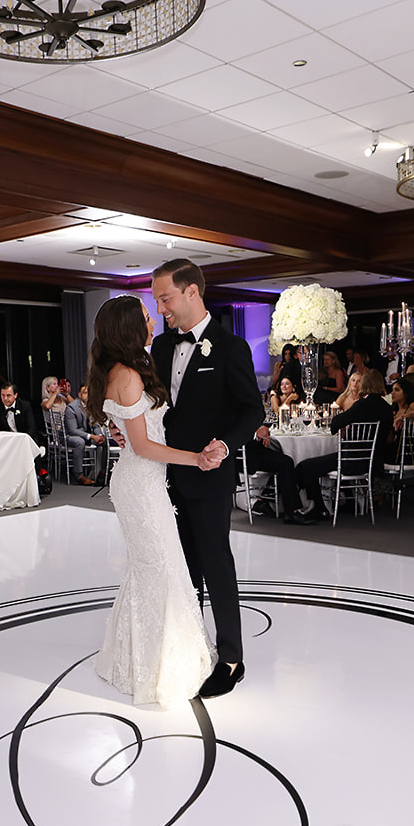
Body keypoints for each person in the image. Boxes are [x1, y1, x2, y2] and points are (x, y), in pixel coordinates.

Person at [86, 295, 221, 709]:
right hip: (141, 484)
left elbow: (131, 431)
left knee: (153, 569)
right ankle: (156, 667)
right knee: (159, 569)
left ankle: (138, 659)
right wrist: (196, 459)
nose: (153, 322)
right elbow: (143, 446)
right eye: (146, 317)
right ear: (128, 327)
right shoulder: (127, 374)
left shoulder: (124, 368)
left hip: (143, 481)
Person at [147, 260, 265, 697]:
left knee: (215, 564)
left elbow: (252, 409)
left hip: (210, 476)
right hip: (164, 475)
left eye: (165, 298)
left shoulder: (231, 347)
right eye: (157, 300)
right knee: (181, 569)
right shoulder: (161, 347)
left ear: (192, 292)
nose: (161, 309)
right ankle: (190, 650)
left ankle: (231, 659)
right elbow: (152, 404)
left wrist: (226, 444)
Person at [288, 369, 394, 525]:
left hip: (351, 460)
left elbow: (337, 422)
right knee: (313, 466)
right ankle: (337, 504)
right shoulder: (386, 408)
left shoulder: (362, 405)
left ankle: (318, 507)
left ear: (365, 384)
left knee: (305, 467)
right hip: (374, 461)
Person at [242, 423, 301, 521]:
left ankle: (262, 501)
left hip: (254, 450)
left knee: (283, 461)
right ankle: (291, 512)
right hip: (246, 456)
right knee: (286, 463)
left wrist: (263, 434)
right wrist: (256, 434)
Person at [65, 384, 106, 485]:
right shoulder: (72, 408)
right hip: (71, 436)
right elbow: (72, 430)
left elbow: (95, 425)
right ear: (79, 395)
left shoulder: (92, 406)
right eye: (85, 393)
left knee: (104, 441)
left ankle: (102, 472)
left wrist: (99, 436)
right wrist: (92, 436)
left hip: (88, 435)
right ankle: (79, 475)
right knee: (80, 442)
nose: (88, 395)